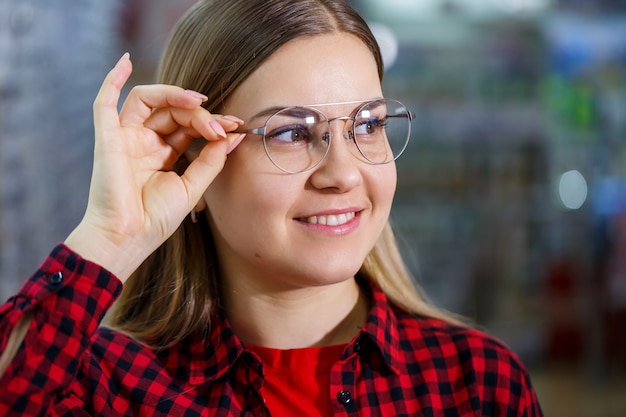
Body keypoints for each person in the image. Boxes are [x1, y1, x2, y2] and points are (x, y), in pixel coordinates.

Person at [0, 0, 544, 415]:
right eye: (290, 133)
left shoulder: (476, 384)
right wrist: (111, 234)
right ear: (197, 164)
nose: (343, 174)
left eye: (368, 125)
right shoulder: (112, 389)